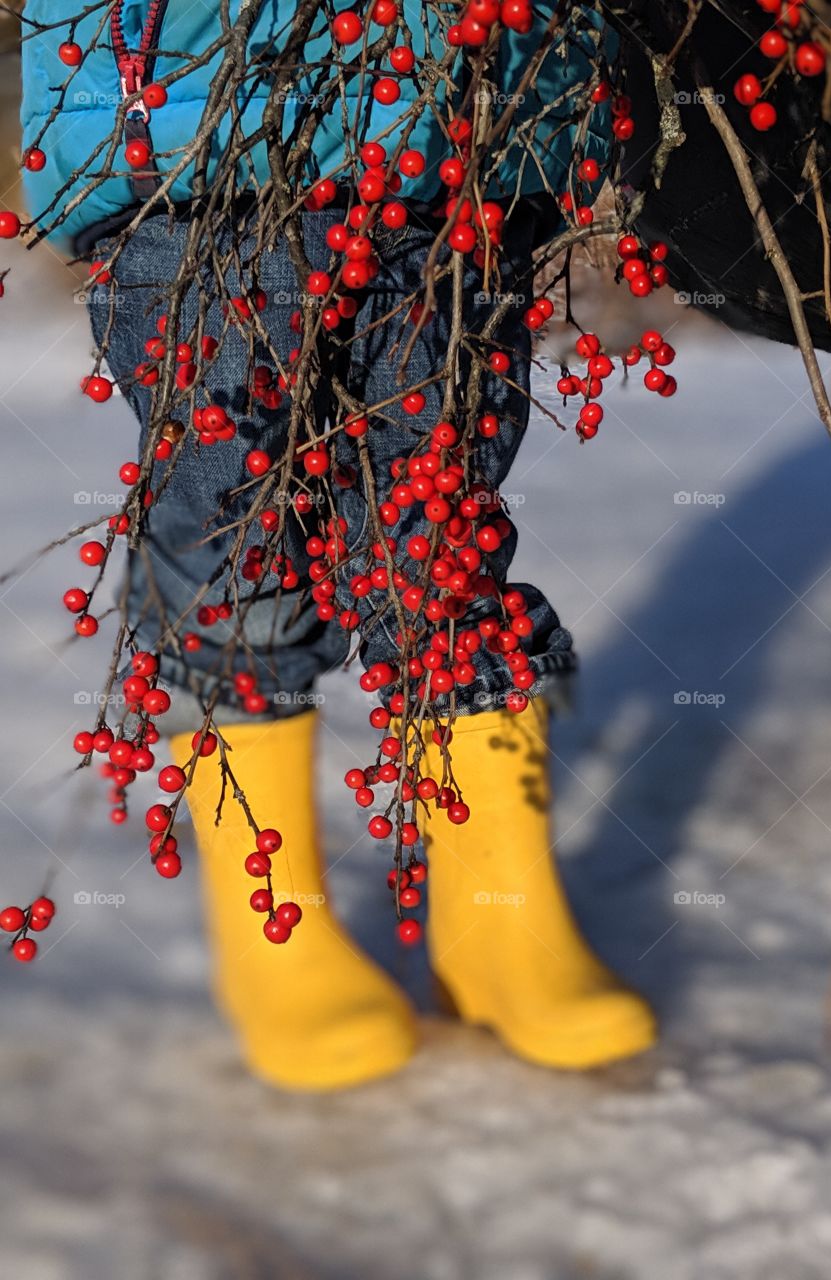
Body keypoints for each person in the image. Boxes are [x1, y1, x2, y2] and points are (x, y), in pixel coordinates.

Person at [19, 0, 657, 1089]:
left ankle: (496, 917)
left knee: (438, 529)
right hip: (190, 125)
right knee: (232, 526)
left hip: (458, 115)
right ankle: (278, 928)